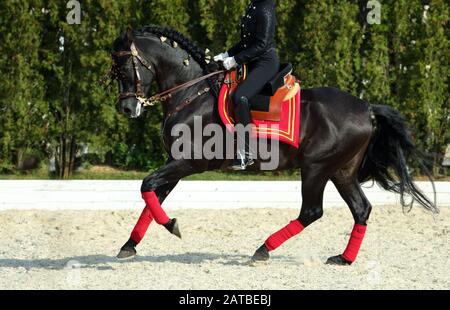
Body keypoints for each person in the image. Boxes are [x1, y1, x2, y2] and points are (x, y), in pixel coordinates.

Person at [214, 0, 280, 170]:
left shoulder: (265, 8)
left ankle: (247, 152)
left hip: (265, 62)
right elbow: (245, 43)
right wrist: (226, 54)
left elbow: (261, 45)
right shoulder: (254, 5)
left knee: (240, 96)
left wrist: (235, 60)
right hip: (251, 60)